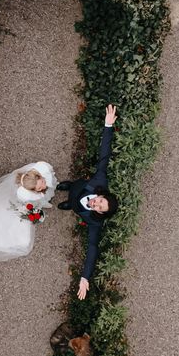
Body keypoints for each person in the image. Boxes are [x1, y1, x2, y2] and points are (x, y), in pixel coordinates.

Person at [56, 104, 119, 300]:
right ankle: (66, 187)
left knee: (72, 206)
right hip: (78, 187)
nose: (96, 205)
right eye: (100, 201)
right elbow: (104, 155)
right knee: (71, 186)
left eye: (99, 208)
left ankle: (69, 205)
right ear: (101, 195)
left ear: (100, 214)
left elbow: (92, 248)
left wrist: (85, 277)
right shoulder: (100, 181)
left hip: (77, 207)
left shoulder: (95, 222)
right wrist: (108, 126)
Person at [0, 161, 57, 261]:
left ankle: (43, 199)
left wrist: (42, 187)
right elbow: (28, 201)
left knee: (44, 189)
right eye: (40, 187)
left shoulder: (37, 173)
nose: (44, 186)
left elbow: (43, 175)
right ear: (32, 191)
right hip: (14, 202)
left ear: (39, 176)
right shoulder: (25, 195)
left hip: (24, 194)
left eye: (43, 182)